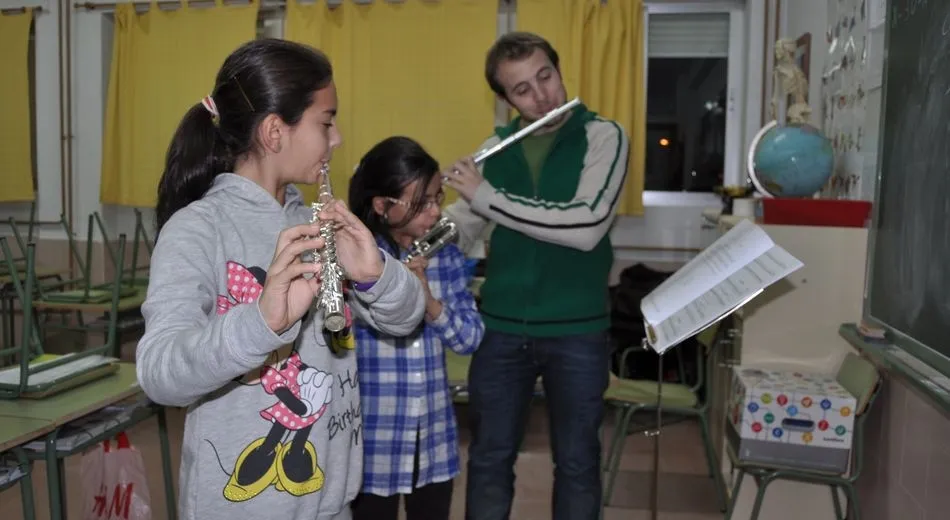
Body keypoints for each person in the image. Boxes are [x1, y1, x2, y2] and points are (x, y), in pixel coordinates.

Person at [136, 39, 427, 520]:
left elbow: (406, 318)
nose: (336, 140)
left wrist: (379, 275)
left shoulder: (318, 219)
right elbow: (159, 374)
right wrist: (260, 322)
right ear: (275, 132)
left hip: (329, 501)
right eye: (326, 122)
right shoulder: (199, 228)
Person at [440, 32, 631, 520]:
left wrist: (488, 198)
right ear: (505, 100)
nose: (542, 94)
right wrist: (422, 224)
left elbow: (586, 225)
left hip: (577, 329)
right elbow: (464, 226)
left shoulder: (604, 136)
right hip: (500, 328)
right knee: (488, 458)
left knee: (577, 464)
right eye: (523, 89)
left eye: (545, 76)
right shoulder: (496, 148)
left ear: (558, 70)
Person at [347, 136, 485, 520]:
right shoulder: (357, 261)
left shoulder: (446, 256)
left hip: (434, 441)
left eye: (438, 198)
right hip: (374, 438)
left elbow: (471, 337)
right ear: (382, 205)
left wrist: (428, 300)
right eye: (421, 203)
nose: (435, 211)